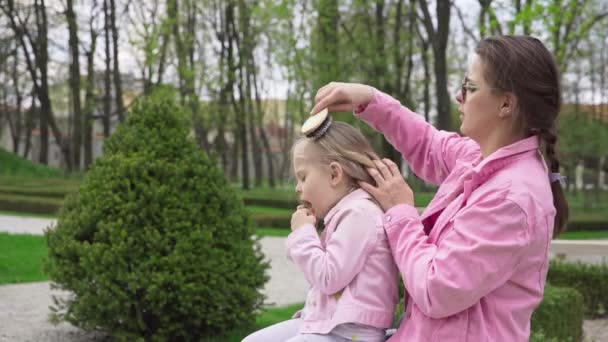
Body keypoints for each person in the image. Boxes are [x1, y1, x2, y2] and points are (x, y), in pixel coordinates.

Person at [310, 35, 569, 341]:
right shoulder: (480, 157)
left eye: (470, 88)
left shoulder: (511, 199)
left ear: (506, 104)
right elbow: (428, 144)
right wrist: (370, 99)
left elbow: (435, 289)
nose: (460, 97)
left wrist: (400, 211)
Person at [243, 117, 399, 342]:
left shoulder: (360, 214)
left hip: (351, 334)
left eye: (303, 177)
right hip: (330, 326)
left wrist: (302, 234)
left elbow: (328, 278)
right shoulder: (347, 213)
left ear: (335, 174)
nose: (298, 188)